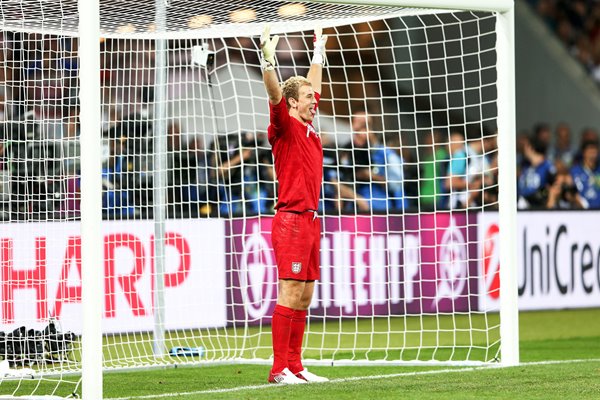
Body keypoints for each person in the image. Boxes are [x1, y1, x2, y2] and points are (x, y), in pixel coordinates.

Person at [260, 25, 329, 384]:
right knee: (289, 291)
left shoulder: (309, 127)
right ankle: (278, 369)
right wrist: (268, 62)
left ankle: (296, 366)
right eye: (306, 98)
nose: (314, 100)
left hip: (311, 221)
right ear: (292, 104)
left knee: (304, 296)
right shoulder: (284, 125)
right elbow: (275, 95)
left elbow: (313, 88)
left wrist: (317, 53)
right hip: (290, 220)